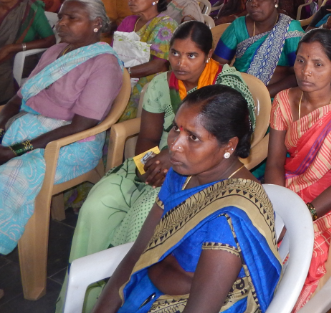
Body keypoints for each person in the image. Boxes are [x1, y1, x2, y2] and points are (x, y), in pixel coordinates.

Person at [60, 22, 258, 312]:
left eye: (191, 55)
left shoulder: (225, 87)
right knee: (98, 203)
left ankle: (127, 291)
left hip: (198, 173)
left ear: (209, 54)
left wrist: (171, 156)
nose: (180, 62)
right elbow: (148, 139)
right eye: (175, 53)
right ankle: (84, 297)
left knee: (143, 216)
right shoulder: (160, 84)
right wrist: (151, 166)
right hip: (159, 164)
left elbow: (231, 143)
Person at [0, 0, 123, 311]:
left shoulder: (105, 63)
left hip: (68, 145)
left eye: (73, 18)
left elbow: (83, 124)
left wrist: (12, 151)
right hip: (24, 133)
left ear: (96, 24)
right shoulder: (55, 52)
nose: (61, 23)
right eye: (62, 17)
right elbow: (18, 99)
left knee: (0, 185)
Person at [92, 85, 281, 313]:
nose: (175, 145)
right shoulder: (181, 175)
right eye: (176, 129)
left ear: (229, 146)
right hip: (143, 291)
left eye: (193, 137)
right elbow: (138, 251)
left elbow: (202, 308)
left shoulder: (231, 213)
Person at [264, 29, 331, 308]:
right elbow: (275, 162)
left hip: (326, 201)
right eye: (300, 61)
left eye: (318, 64)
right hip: (288, 185)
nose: (306, 72)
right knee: (254, 235)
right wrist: (277, 205)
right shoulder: (284, 101)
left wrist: (300, 215)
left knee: (300, 257)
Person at [213, 0, 304, 96]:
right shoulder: (238, 26)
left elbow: (299, 74)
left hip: (274, 97)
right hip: (238, 94)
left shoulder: (290, 29)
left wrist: (261, 95)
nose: (253, 3)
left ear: (275, 0)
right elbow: (217, 65)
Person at [116, 0, 177, 121]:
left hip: (149, 78)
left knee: (119, 104)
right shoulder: (129, 21)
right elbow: (116, 52)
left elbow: (159, 64)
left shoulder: (165, 24)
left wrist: (124, 73)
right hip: (123, 72)